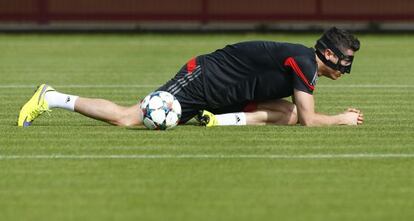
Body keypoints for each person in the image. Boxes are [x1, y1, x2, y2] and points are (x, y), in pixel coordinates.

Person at [17, 27, 364, 128]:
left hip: (227, 94)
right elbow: (308, 120)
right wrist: (342, 120)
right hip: (203, 79)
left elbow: (295, 115)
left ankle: (216, 121)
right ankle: (51, 97)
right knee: (128, 119)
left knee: (284, 113)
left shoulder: (304, 62)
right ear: (329, 54)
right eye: (346, 59)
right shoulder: (304, 60)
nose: (347, 67)